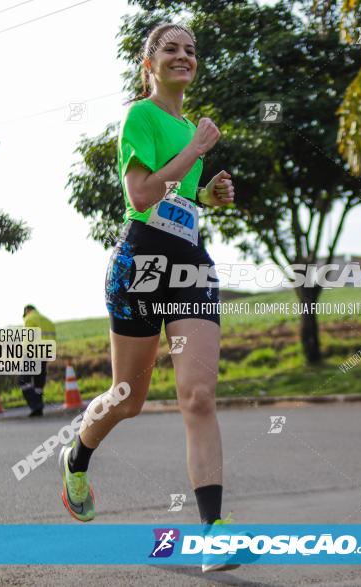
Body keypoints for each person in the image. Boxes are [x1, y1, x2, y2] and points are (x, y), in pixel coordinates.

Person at [56, 22, 239, 572]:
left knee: (198, 396)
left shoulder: (189, 128)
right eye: (171, 49)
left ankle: (215, 532)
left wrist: (208, 193)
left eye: (191, 50)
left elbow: (177, 195)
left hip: (189, 267)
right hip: (139, 265)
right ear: (149, 63)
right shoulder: (141, 116)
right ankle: (78, 455)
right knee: (128, 397)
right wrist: (200, 148)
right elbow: (141, 193)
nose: (183, 56)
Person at [19, 304, 56, 417]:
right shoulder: (48, 321)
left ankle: (36, 405)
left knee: (23, 381)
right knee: (38, 383)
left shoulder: (29, 319)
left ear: (27, 311)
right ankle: (38, 408)